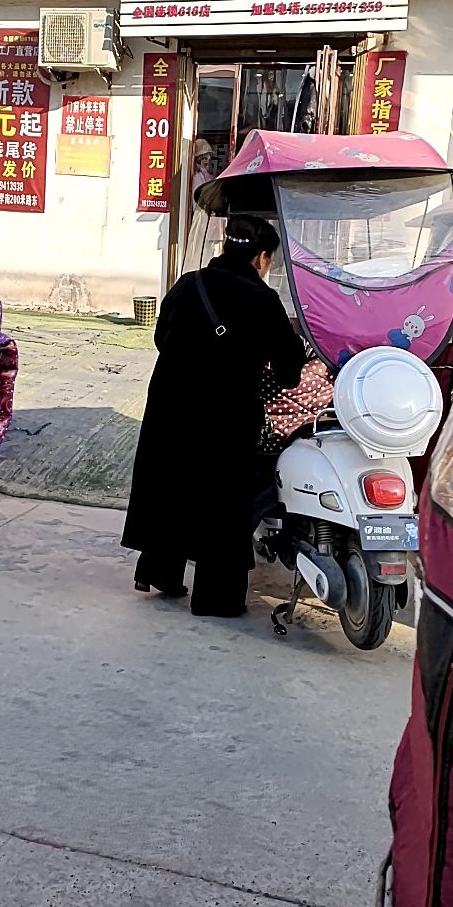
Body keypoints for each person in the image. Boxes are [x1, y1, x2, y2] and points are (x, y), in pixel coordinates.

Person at [122, 214, 306, 617]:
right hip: (228, 414)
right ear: (261, 257)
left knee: (171, 483)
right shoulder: (263, 300)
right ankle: (216, 598)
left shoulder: (190, 284)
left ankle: (159, 572)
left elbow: (160, 336)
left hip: (171, 406)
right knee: (224, 501)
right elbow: (290, 366)